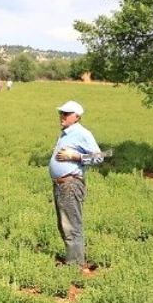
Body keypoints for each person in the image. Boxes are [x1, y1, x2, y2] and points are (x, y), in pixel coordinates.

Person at [49, 100, 108, 267]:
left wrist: (76, 157)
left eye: (66, 114)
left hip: (71, 184)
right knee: (64, 225)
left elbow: (100, 157)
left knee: (72, 225)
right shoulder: (65, 133)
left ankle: (75, 266)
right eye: (61, 112)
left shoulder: (82, 133)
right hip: (61, 184)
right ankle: (72, 260)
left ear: (77, 117)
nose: (62, 116)